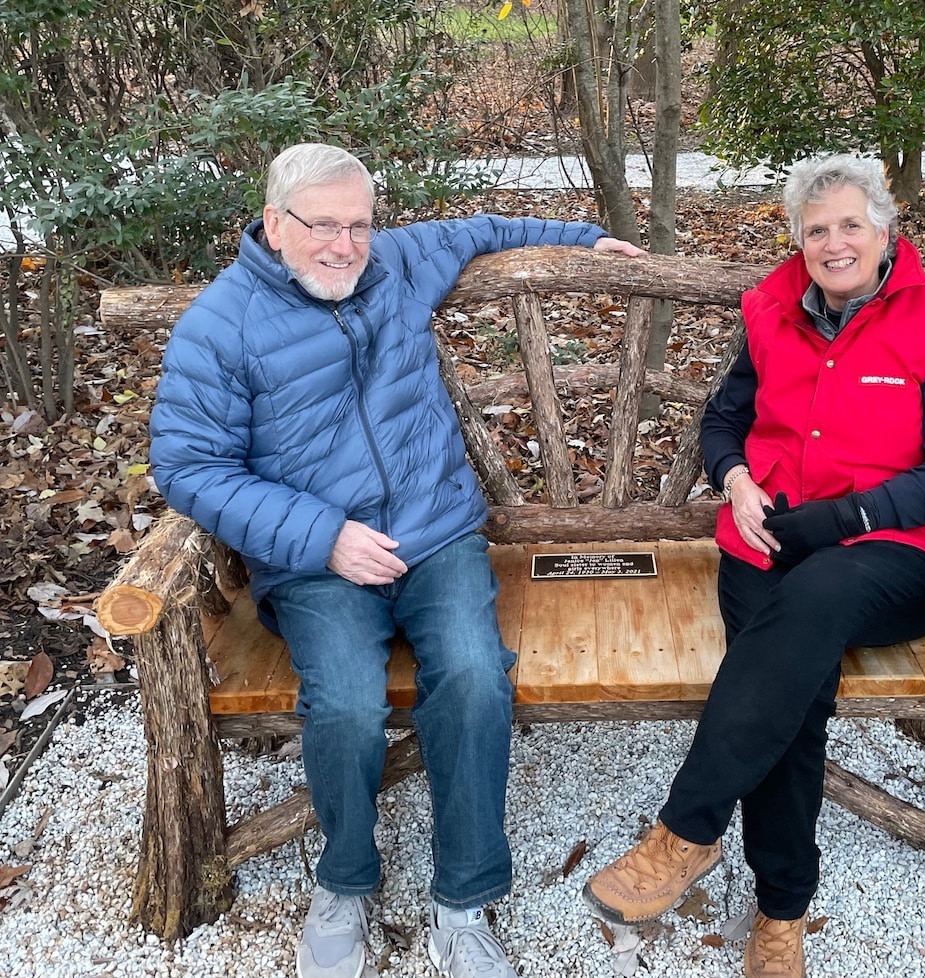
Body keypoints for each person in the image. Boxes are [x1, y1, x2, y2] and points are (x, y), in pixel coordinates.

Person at [148, 142, 645, 978]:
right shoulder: (220, 325)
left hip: (434, 533)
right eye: (323, 227)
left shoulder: (398, 265)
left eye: (360, 226)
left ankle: (463, 899)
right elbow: (188, 467)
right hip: (315, 560)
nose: (345, 247)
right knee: (342, 701)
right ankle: (344, 880)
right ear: (274, 224)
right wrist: (320, 538)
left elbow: (484, 227)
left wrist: (585, 237)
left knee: (475, 673)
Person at [583, 155, 925, 977]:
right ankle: (781, 916)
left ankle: (686, 831)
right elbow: (723, 422)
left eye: (849, 225)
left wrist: (840, 520)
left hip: (896, 554)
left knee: (812, 605)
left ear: (884, 229)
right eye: (816, 230)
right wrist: (734, 482)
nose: (834, 243)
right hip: (764, 539)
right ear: (798, 241)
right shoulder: (772, 309)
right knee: (791, 696)